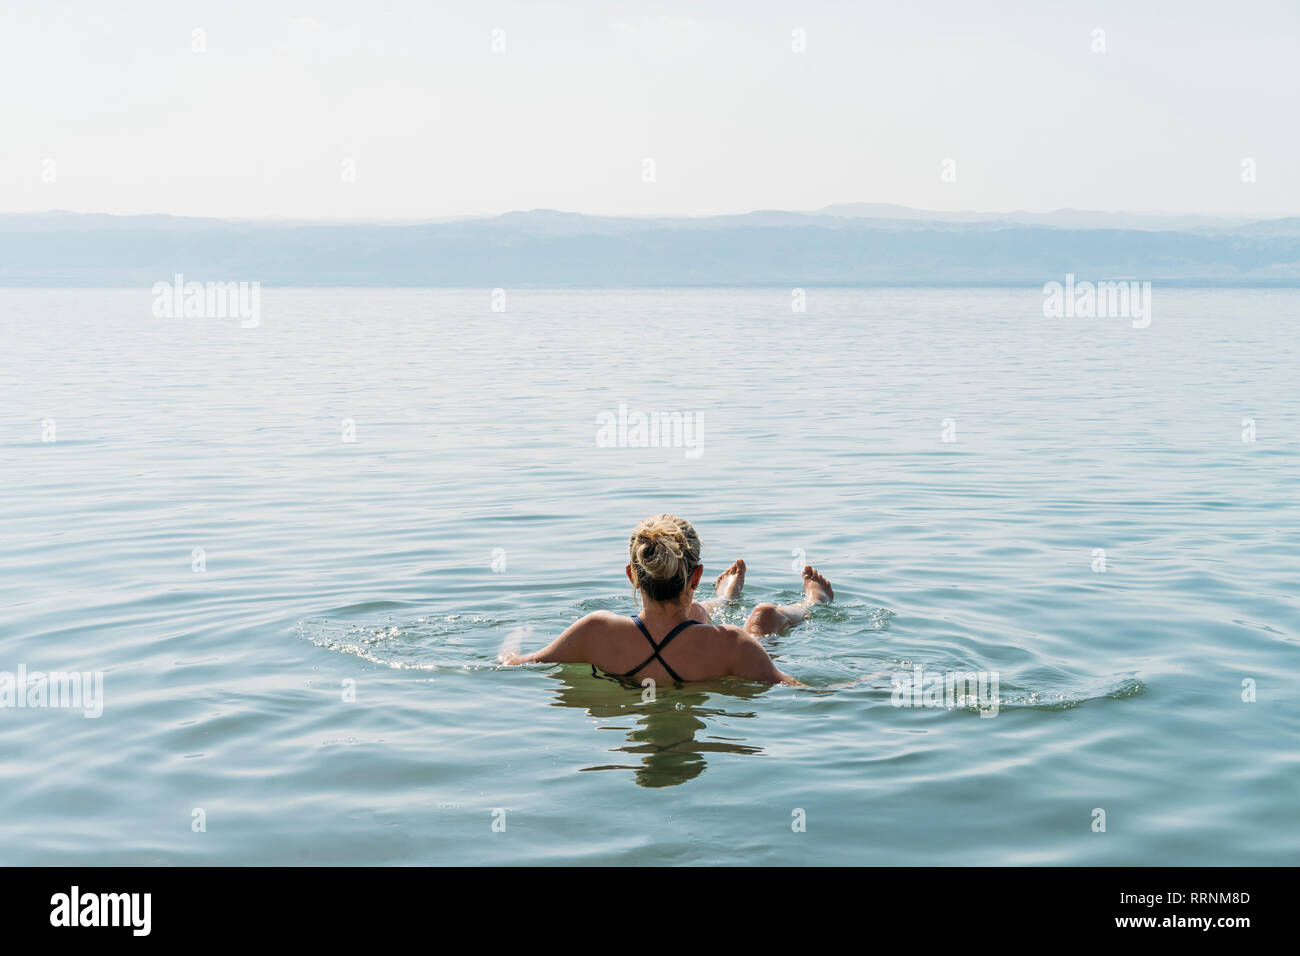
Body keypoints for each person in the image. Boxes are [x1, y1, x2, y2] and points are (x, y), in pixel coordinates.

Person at [498, 514, 833, 685]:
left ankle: (726, 595)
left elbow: (512, 664)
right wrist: (874, 679)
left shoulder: (594, 631)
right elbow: (802, 688)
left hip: (670, 632)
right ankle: (812, 602)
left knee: (698, 614)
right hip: (713, 650)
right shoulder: (734, 644)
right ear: (695, 576)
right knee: (764, 616)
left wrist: (515, 636)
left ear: (632, 575)